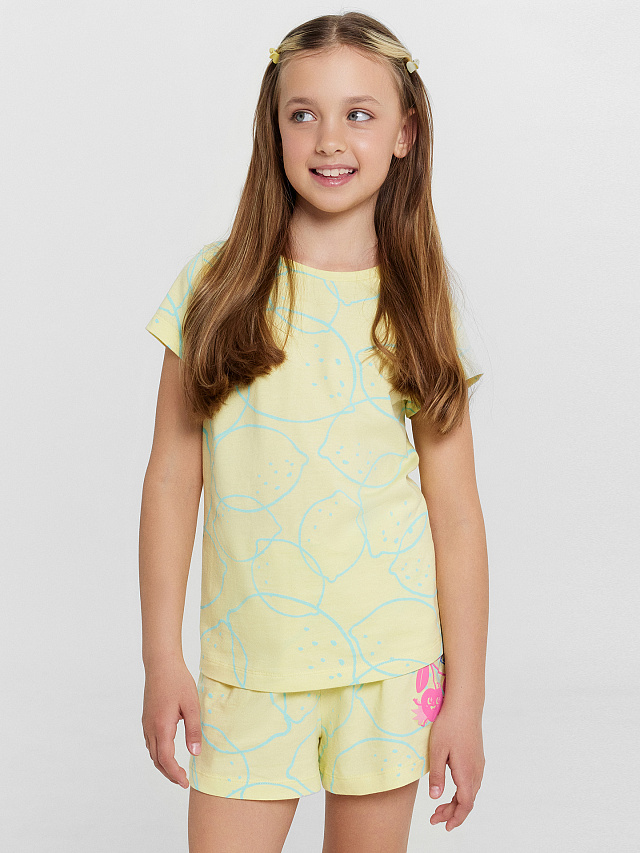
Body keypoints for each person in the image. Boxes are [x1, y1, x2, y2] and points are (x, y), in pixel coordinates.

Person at [140, 11, 488, 853]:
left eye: (359, 113)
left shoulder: (419, 302)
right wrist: (160, 658)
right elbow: (171, 480)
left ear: (405, 133)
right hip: (249, 669)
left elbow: (456, 514)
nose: (330, 138)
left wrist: (467, 702)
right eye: (304, 113)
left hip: (389, 665)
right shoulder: (215, 287)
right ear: (275, 127)